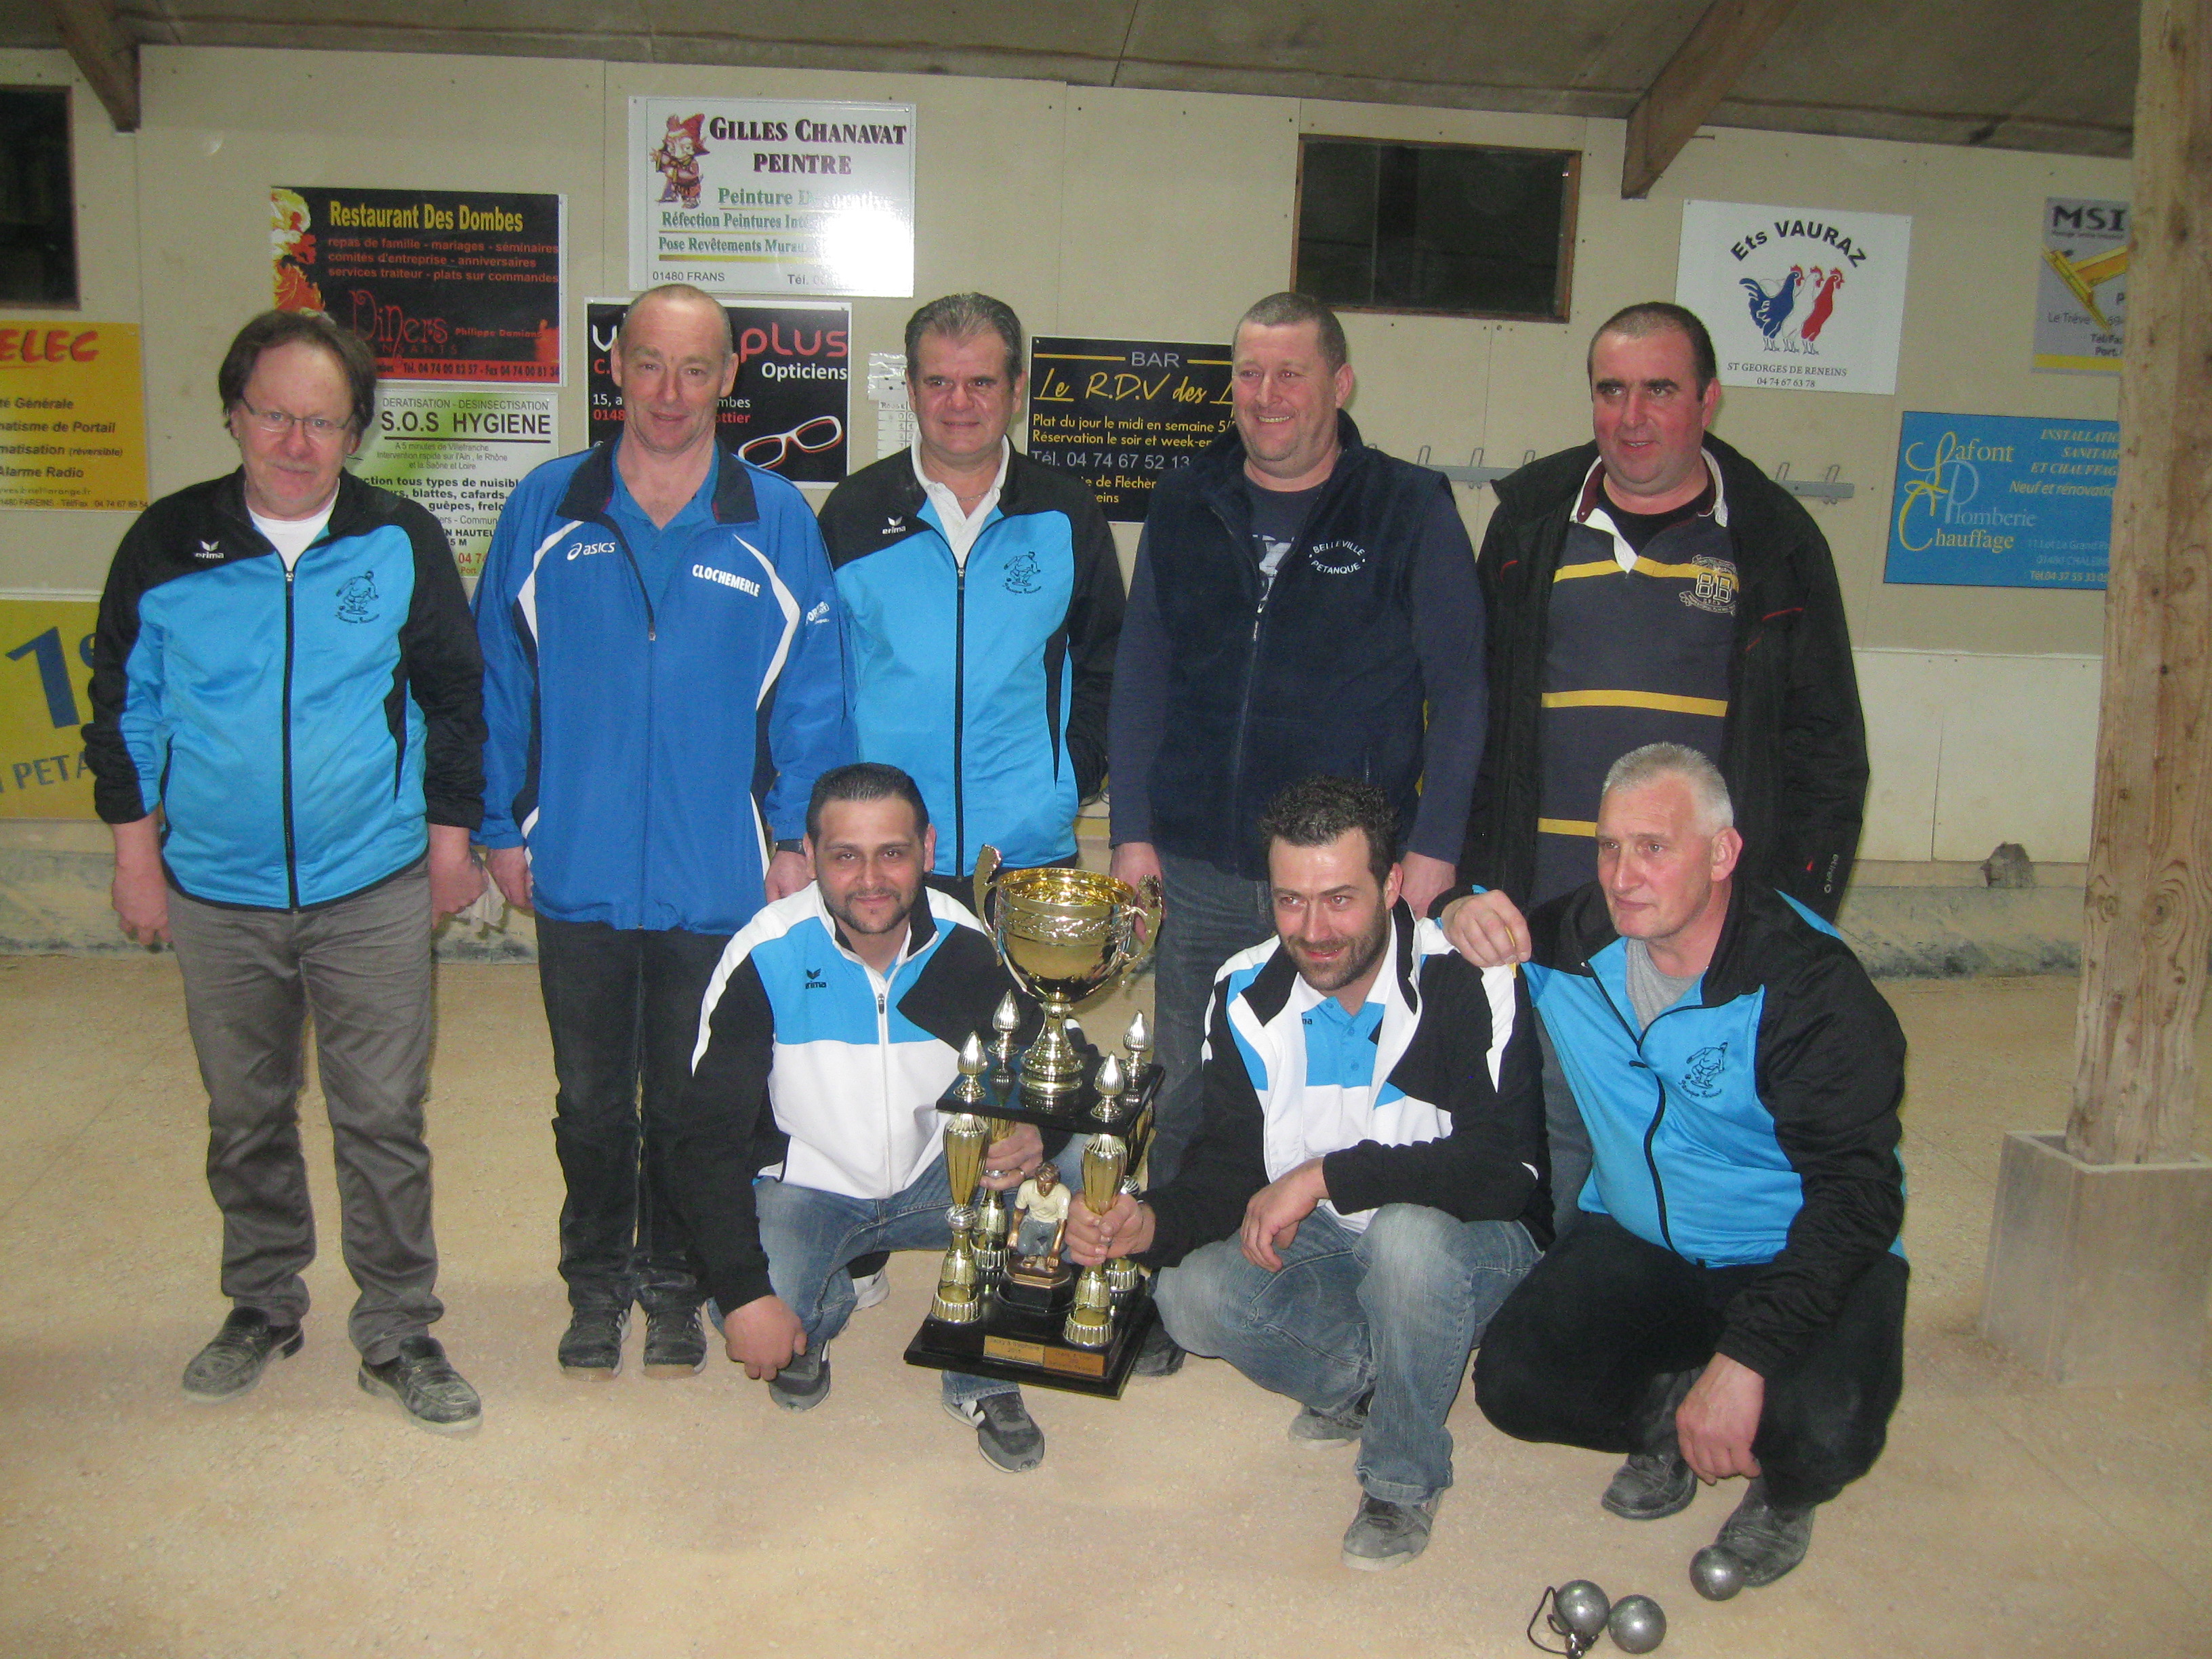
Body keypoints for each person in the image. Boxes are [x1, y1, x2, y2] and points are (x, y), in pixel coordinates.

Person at [83, 309, 487, 1433]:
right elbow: (125, 707)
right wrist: (135, 855)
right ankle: (261, 1301)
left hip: (373, 883)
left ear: (355, 433)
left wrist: (451, 844)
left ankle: (398, 1322)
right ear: (233, 413)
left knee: (381, 1114)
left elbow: (456, 701)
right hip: (215, 889)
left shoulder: (398, 539)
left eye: (323, 421)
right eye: (274, 414)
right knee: (246, 1111)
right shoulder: (166, 543)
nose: (296, 442)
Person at [474, 283, 849, 1381]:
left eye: (695, 369)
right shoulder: (549, 505)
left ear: (730, 375)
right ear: (617, 369)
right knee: (590, 1099)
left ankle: (681, 1283)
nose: (670, 393)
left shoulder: (773, 519)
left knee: (702, 1101)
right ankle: (595, 1281)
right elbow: (502, 676)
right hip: (576, 865)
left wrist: (794, 835)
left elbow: (814, 695)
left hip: (721, 876)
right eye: (648, 364)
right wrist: (504, 820)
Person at [1452, 301, 1868, 1235]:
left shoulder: (1775, 541)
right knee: (1550, 1155)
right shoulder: (1529, 521)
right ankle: (1565, 1338)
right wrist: (1473, 881)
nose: (1631, 417)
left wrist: (1789, 919)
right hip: (1547, 938)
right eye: (1611, 390)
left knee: (1688, 1158)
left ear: (1709, 401)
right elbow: (1474, 716)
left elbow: (1825, 749)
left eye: (1660, 391)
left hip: (1695, 943)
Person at [1065, 777, 1545, 1569]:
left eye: (1339, 900)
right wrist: (1147, 1223)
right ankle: (1373, 1379)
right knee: (1190, 1297)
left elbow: (1504, 1173)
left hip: (1466, 1243)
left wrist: (1324, 1176)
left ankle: (1401, 1474)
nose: (1313, 930)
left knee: (1407, 1239)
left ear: (1393, 887)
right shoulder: (1247, 992)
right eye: (1291, 901)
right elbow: (1227, 1164)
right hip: (1336, 1237)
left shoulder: (1468, 977)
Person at [1462, 744, 1906, 1591]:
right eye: (1608, 847)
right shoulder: (1571, 943)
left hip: (1796, 1245)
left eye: (1654, 848)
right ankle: (1668, 1413)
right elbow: (1471, 926)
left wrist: (1748, 1361)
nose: (1624, 875)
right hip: (1644, 1237)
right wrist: (1459, 909)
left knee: (1823, 1431)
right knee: (1516, 1386)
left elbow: (1859, 1196)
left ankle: (1782, 1489)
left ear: (1722, 853)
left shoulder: (1807, 986)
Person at [1107, 291, 1488, 1269]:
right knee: (1192, 1080)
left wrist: (1437, 844)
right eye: (1248, 373)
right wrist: (1133, 829)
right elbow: (1143, 668)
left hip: (1342, 875)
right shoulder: (1187, 499)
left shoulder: (1409, 505)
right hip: (1198, 859)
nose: (1266, 396)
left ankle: (1358, 1257)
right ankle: (1176, 1264)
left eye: (1290, 374)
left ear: (1339, 384)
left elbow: (1463, 690)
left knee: (1347, 1076)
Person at [666, 763, 1057, 1473]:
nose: (870, 879)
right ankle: (833, 1292)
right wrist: (748, 1294)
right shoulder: (767, 954)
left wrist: (1040, 1130)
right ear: (810, 857)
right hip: (809, 1185)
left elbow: (1062, 1063)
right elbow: (703, 1143)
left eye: (893, 853)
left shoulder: (967, 945)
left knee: (1051, 1207)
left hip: (941, 1174)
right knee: (750, 1306)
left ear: (929, 850)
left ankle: (982, 1376)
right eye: (845, 855)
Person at [817, 291, 1123, 886]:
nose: (959, 403)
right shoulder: (853, 512)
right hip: (884, 851)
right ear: (910, 389)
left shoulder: (1065, 512)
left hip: (1027, 852)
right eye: (937, 382)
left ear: (1016, 390)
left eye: (981, 382)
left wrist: (1066, 780)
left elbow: (1108, 663)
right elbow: (820, 678)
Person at [1008, 1162, 1070, 1266]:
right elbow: (1019, 1211)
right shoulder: (1026, 1188)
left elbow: (1062, 1223)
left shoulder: (1063, 1194)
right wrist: (1014, 1231)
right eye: (1040, 1182)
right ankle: (1033, 1254)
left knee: (1060, 1246)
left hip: (1053, 1223)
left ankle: (1044, 1255)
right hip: (1033, 1220)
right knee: (1022, 1247)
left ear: (1055, 1183)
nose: (1043, 1188)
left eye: (1048, 1184)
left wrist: (1054, 1251)